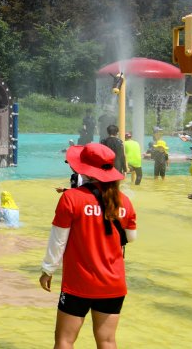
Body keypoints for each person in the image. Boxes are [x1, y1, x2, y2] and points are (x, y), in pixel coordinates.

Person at [39, 143, 137, 349]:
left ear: (85, 169)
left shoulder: (71, 198)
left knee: (65, 340)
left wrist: (48, 270)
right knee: (107, 341)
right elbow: (131, 237)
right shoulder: (124, 201)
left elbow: (58, 240)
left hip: (79, 283)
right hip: (113, 283)